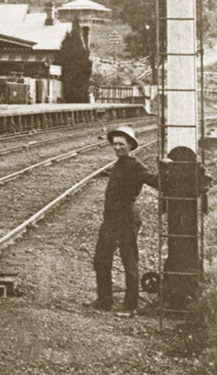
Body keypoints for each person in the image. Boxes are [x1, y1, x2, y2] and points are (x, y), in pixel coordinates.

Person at [91, 124, 159, 317]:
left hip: (127, 218)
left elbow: (154, 180)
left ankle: (130, 306)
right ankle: (104, 301)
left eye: (121, 144)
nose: (117, 148)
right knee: (101, 259)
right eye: (115, 144)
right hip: (111, 219)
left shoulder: (134, 164)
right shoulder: (120, 163)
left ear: (130, 145)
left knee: (129, 260)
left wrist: (167, 168)